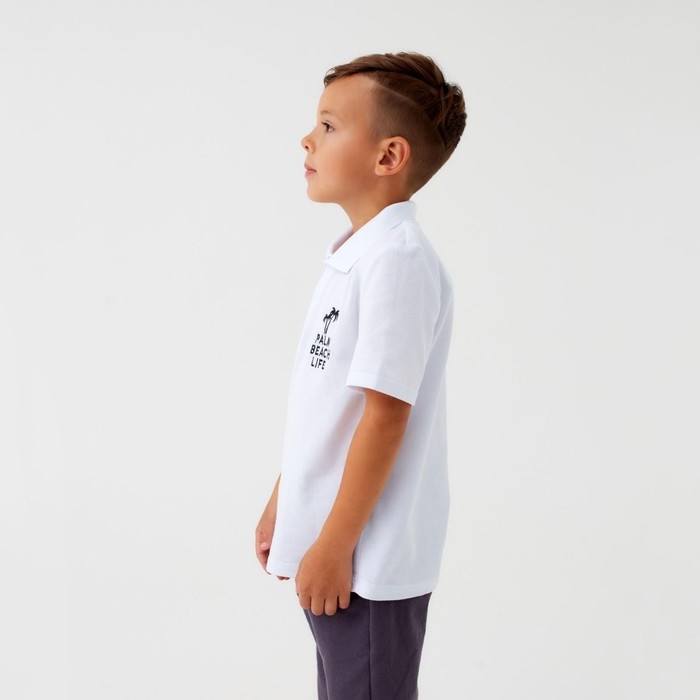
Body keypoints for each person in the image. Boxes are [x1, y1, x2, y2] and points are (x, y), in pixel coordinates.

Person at [255, 51, 467, 699]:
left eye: (328, 126)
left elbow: (385, 416)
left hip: (364, 558)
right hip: (338, 542)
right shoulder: (358, 255)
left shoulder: (397, 262)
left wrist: (334, 544)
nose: (307, 139)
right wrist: (286, 499)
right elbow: (329, 408)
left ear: (388, 156)